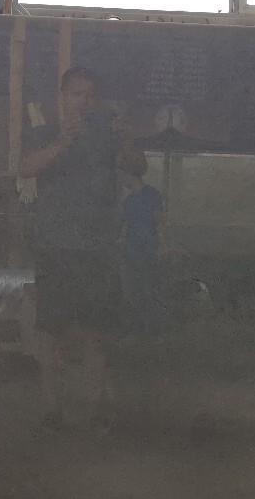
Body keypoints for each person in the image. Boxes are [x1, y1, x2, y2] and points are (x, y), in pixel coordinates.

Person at [19, 67, 137, 426]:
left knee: (97, 333)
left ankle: (94, 407)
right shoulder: (45, 133)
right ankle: (51, 409)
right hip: (57, 247)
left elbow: (139, 166)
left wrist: (127, 137)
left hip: (99, 248)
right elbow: (24, 168)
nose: (84, 101)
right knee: (50, 332)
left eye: (90, 95)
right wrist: (62, 142)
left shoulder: (109, 137)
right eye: (76, 94)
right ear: (62, 97)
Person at [118, 147, 166, 333]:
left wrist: (161, 247)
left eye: (124, 175)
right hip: (131, 254)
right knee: (134, 292)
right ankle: (138, 330)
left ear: (130, 174)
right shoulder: (128, 201)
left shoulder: (152, 194)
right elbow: (125, 226)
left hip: (148, 252)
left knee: (149, 292)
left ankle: (154, 330)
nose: (122, 180)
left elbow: (159, 223)